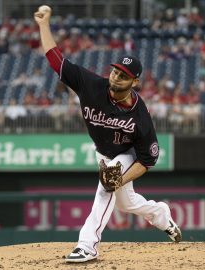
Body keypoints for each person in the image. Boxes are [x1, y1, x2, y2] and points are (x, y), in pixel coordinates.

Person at [34, 7, 182, 263]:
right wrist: (44, 25)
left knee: (107, 186)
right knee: (127, 203)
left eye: (124, 76)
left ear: (134, 82)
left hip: (127, 155)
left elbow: (148, 160)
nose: (116, 77)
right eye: (115, 71)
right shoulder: (91, 85)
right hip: (103, 152)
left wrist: (119, 177)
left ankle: (87, 245)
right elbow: (56, 61)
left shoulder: (140, 115)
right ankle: (160, 214)